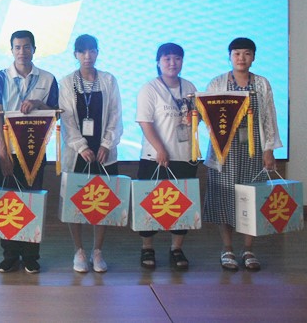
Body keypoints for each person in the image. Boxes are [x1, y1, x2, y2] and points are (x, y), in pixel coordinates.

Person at [203, 37, 282, 271]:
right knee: (224, 198)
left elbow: (269, 118)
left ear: (253, 57)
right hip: (224, 151)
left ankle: (248, 249)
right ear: (229, 57)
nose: (241, 58)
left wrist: (269, 149)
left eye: (247, 53)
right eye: (236, 53)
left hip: (253, 150)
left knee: (252, 198)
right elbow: (209, 117)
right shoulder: (217, 83)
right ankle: (227, 248)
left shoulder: (262, 83)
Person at [0, 30, 59, 274]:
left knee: (32, 201)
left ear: (34, 49)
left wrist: (38, 104)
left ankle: (30, 255)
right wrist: (2, 151)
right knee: (8, 203)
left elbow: (56, 113)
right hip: (9, 151)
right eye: (17, 47)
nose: (22, 52)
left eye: (27, 47)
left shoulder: (48, 78)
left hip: (35, 151)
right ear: (11, 50)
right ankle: (10, 254)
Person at [59, 34, 123, 273]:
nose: (87, 56)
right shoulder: (67, 82)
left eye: (92, 51)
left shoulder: (108, 80)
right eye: (82, 51)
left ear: (97, 53)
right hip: (77, 153)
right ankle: (79, 250)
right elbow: (66, 119)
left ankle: (97, 251)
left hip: (105, 153)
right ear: (75, 54)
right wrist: (82, 146)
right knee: (74, 202)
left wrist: (106, 144)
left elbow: (116, 114)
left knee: (103, 201)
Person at [135, 42, 197, 270]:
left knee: (181, 205)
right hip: (155, 156)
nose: (172, 63)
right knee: (151, 203)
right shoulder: (149, 88)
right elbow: (145, 122)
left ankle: (176, 248)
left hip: (185, 155)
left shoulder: (189, 86)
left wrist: (195, 119)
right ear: (158, 62)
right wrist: (160, 148)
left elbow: (196, 118)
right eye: (167, 58)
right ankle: (147, 248)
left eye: (177, 58)